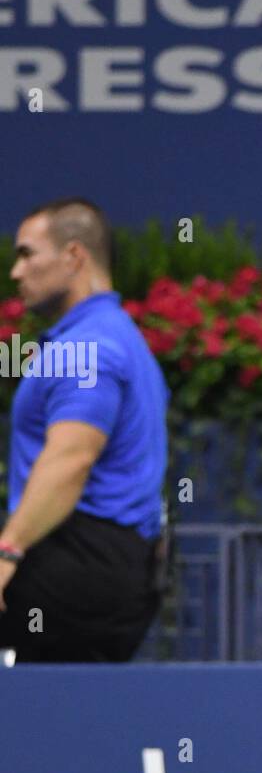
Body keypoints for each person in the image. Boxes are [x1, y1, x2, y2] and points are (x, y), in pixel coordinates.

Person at [0, 199, 168, 662]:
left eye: (28, 254)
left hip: (79, 561)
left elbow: (71, 459)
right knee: (53, 723)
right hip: (110, 568)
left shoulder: (90, 348)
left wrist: (7, 553)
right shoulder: (117, 338)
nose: (16, 272)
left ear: (74, 256)